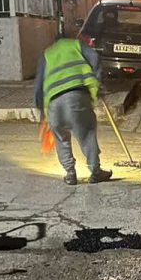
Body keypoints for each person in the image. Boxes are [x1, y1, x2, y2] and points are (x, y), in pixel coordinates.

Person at [34, 29, 112, 186]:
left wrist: (42, 111)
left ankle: (70, 174)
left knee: (60, 137)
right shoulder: (76, 45)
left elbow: (38, 85)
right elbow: (95, 58)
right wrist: (98, 82)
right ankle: (95, 171)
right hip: (76, 97)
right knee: (87, 132)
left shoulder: (47, 54)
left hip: (54, 103)